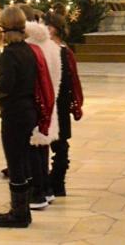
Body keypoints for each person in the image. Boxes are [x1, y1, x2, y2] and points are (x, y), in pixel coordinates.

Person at [0, 5, 50, 228]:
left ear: (3, 29)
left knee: (15, 162)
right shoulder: (28, 49)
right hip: (28, 111)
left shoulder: (9, 55)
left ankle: (19, 214)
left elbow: (6, 87)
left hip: (15, 114)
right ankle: (23, 210)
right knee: (23, 159)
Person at [19, 4, 61, 209]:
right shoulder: (49, 43)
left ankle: (37, 194)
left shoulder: (28, 45)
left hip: (33, 101)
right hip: (48, 99)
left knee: (32, 147)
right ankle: (46, 189)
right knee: (42, 146)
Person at [43, 11, 84, 196]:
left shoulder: (63, 51)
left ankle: (57, 181)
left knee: (59, 144)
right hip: (51, 101)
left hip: (58, 102)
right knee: (53, 143)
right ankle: (54, 181)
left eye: (47, 26)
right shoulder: (52, 49)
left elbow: (71, 79)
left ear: (54, 29)